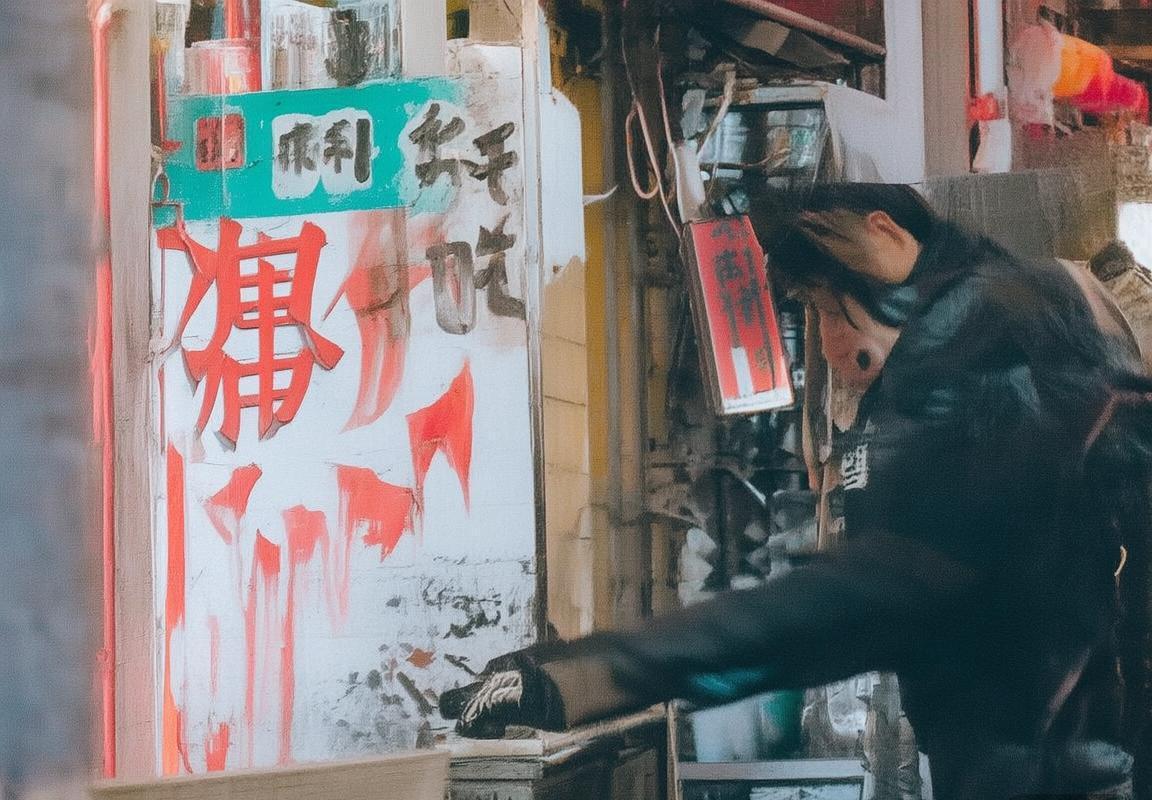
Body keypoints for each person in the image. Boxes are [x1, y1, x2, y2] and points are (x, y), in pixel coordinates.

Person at [441, 184, 1152, 800]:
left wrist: (588, 676)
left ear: (885, 233)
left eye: (832, 307)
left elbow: (861, 600)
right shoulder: (1031, 317)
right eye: (813, 314)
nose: (831, 343)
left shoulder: (978, 342)